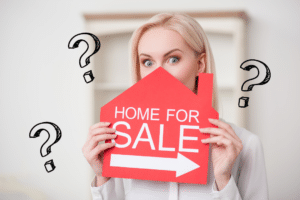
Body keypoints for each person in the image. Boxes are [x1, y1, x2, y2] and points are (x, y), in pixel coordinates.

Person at [82, 13, 268, 200]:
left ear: (200, 64)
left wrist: (223, 180)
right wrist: (103, 176)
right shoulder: (121, 141)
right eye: (147, 62)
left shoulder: (247, 146)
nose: (158, 74)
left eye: (173, 59)